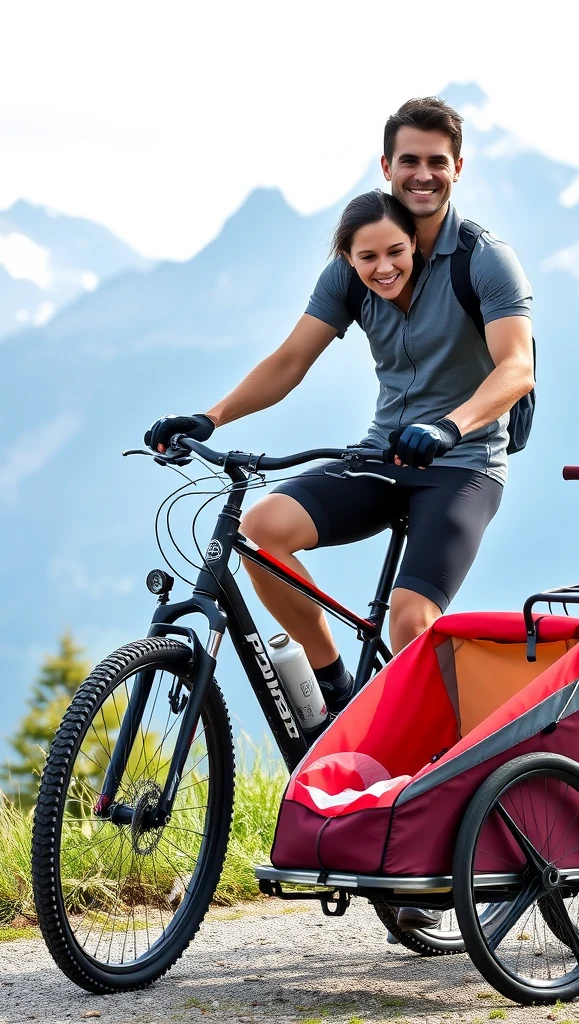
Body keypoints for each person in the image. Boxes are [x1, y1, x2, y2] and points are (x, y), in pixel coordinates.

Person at [144, 100, 533, 930]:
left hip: (461, 464)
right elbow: (291, 358)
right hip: (384, 455)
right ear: (386, 167)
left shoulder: (485, 259)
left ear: (457, 167)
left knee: (411, 616)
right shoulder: (361, 253)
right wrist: (209, 419)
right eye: (408, 162)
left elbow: (515, 368)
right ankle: (329, 686)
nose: (423, 175)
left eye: (437, 161)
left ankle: (432, 798)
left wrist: (452, 424)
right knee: (264, 529)